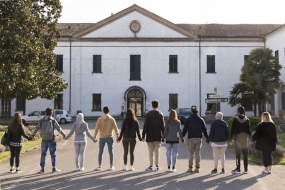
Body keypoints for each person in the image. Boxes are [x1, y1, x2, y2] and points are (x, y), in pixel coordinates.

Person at [32, 107, 66, 173]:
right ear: (51, 113)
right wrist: (64, 134)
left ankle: (42, 169)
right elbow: (59, 128)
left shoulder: (41, 120)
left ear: (45, 113)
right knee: (53, 154)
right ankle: (54, 168)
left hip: (44, 139)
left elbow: (36, 128)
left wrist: (32, 135)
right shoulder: (53, 120)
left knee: (43, 154)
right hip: (51, 139)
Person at [183, 105, 208, 173]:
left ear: (191, 111)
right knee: (197, 153)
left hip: (191, 138)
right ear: (198, 111)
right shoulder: (201, 119)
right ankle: (197, 168)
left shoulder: (188, 119)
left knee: (191, 153)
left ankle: (190, 168)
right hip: (198, 138)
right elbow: (204, 129)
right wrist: (207, 138)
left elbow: (185, 129)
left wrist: (182, 137)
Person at [94, 106, 119, 171]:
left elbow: (96, 129)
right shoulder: (112, 119)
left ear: (103, 111)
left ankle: (99, 166)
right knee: (111, 152)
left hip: (102, 137)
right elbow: (116, 128)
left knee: (100, 152)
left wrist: (94, 137)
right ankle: (111, 166)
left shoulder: (100, 119)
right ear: (109, 111)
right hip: (109, 137)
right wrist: (117, 137)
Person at [142, 100, 164, 171]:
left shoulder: (148, 114)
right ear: (158, 106)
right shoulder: (160, 114)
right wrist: (163, 136)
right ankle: (157, 166)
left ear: (152, 106)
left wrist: (143, 135)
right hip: (158, 135)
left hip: (150, 135)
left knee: (150, 151)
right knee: (157, 151)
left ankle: (150, 166)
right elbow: (162, 126)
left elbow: (145, 126)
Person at [230, 106, 251, 174]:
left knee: (238, 154)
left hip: (237, 139)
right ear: (244, 111)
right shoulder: (247, 120)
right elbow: (249, 130)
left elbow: (233, 130)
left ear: (238, 111)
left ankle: (238, 168)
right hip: (245, 139)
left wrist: (230, 138)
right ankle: (246, 169)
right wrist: (250, 139)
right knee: (245, 154)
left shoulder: (235, 119)